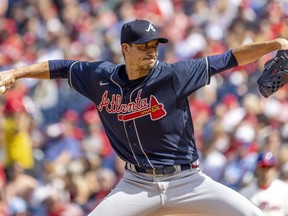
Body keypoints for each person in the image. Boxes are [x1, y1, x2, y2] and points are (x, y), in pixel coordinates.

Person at [1, 19, 288, 216]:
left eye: (154, 46)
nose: (151, 52)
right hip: (136, 184)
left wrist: (273, 43)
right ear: (125, 49)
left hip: (187, 180)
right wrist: (15, 73)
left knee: (251, 213)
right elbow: (60, 67)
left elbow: (229, 58)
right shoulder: (100, 77)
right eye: (143, 46)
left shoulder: (175, 75)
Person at [240, 151, 288, 216]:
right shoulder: (245, 193)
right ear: (257, 168)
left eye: (269, 167)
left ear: (274, 168)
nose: (266, 171)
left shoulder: (284, 189)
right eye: (263, 167)